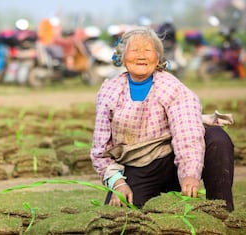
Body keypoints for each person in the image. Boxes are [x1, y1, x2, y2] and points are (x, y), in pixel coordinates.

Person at [90, 26, 235, 211]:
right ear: (123, 58)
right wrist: (117, 182)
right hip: (137, 166)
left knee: (216, 138)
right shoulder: (109, 91)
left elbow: (187, 131)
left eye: (148, 51)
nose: (141, 56)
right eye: (134, 51)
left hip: (172, 160)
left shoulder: (172, 88)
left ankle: (221, 209)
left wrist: (189, 174)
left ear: (157, 58)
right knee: (117, 214)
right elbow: (100, 149)